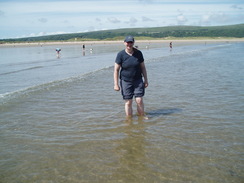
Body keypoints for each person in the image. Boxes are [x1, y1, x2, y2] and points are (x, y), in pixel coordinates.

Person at [114, 36, 148, 119]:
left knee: (139, 100)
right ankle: (129, 119)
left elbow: (143, 67)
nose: (129, 44)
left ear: (133, 43)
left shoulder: (138, 53)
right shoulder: (120, 54)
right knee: (128, 102)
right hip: (125, 81)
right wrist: (116, 84)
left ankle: (141, 117)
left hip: (138, 80)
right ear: (124, 43)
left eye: (131, 42)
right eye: (127, 42)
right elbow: (116, 70)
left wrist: (146, 80)